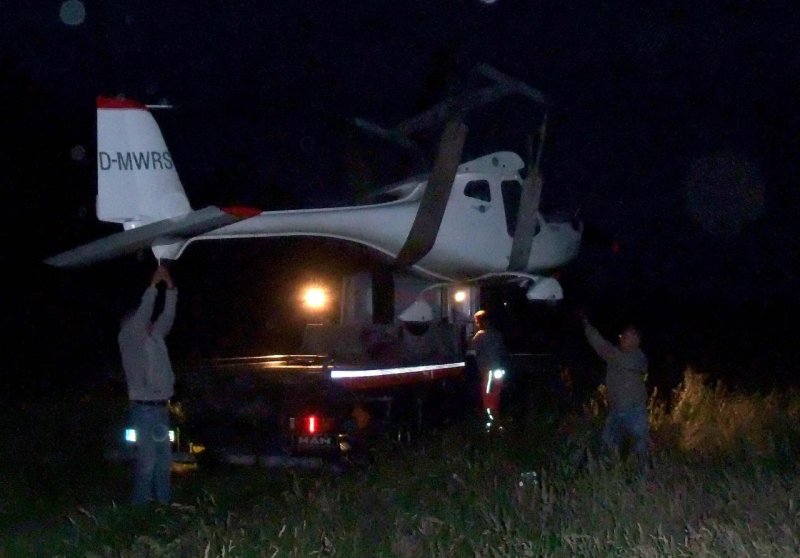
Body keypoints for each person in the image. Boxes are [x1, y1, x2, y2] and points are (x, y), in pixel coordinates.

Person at [119, 264, 178, 505]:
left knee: (163, 461)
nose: (149, 322)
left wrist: (170, 287)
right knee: (147, 461)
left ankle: (163, 505)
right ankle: (139, 508)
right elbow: (144, 313)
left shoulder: (155, 338)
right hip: (143, 409)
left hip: (161, 408)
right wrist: (154, 285)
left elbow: (168, 316)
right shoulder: (128, 340)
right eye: (142, 321)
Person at [580, 312, 650, 471]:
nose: (623, 337)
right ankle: (607, 478)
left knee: (640, 450)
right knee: (607, 448)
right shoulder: (615, 355)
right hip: (616, 410)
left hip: (635, 411)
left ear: (636, 340)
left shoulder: (637, 358)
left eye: (628, 335)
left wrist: (588, 326)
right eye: (623, 335)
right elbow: (603, 348)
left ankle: (643, 480)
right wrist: (586, 325)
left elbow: (603, 347)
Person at [467, 310, 510, 430]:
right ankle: (497, 422)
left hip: (488, 372)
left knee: (488, 398)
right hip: (498, 371)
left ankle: (490, 424)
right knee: (496, 397)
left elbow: (471, 352)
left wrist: (469, 341)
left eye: (477, 322)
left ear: (482, 322)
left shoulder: (480, 335)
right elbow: (503, 352)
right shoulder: (498, 335)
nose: (477, 324)